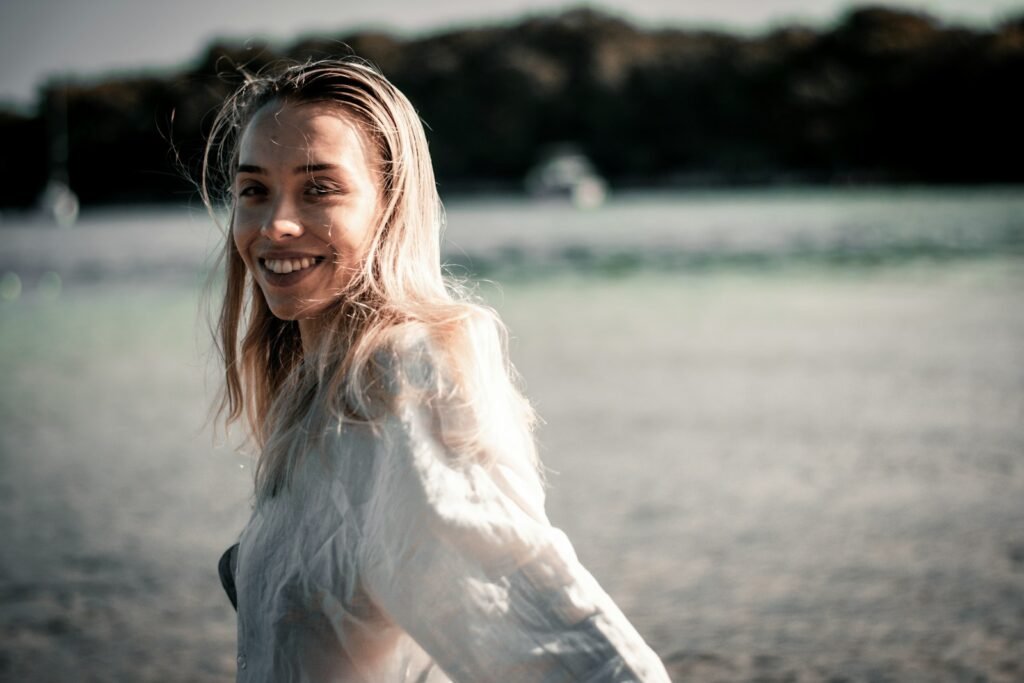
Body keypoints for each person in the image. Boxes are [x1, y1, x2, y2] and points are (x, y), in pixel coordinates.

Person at [202, 57, 671, 682]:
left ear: (390, 206)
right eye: (253, 190)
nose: (275, 224)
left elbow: (574, 659)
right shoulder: (316, 393)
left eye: (320, 188)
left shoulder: (396, 379)